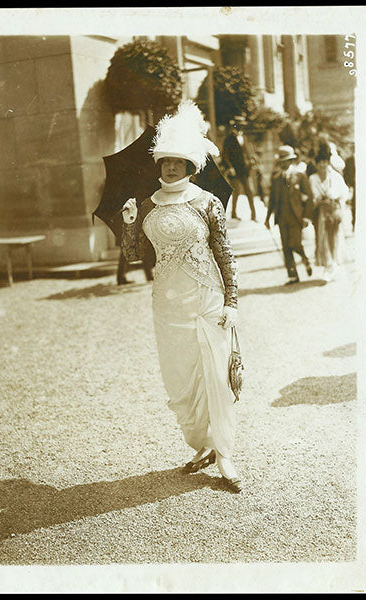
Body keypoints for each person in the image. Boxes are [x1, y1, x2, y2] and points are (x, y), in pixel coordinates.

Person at [120, 100, 243, 493]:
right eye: (165, 162)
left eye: (177, 162)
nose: (170, 168)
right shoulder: (144, 205)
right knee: (179, 380)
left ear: (191, 165)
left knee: (215, 375)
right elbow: (135, 255)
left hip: (207, 297)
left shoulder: (208, 202)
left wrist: (233, 301)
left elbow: (224, 252)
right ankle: (201, 445)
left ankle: (224, 453)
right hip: (167, 303)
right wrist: (127, 226)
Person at [267, 145, 314, 285]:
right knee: (285, 246)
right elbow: (272, 199)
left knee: (295, 243)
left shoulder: (300, 176)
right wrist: (267, 218)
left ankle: (305, 259)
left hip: (296, 216)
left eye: (286, 160)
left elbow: (309, 197)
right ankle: (293, 275)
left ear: (292, 161)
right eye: (281, 161)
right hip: (282, 217)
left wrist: (306, 217)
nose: (283, 163)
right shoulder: (275, 178)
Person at [309, 150, 350, 283]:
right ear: (316, 164)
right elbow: (312, 196)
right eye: (320, 162)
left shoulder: (335, 176)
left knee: (335, 236)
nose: (322, 165)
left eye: (325, 162)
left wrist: (334, 196)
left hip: (334, 210)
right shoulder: (313, 178)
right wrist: (320, 199)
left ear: (328, 163)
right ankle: (329, 266)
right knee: (323, 238)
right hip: (320, 212)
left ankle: (335, 264)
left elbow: (344, 192)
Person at [221, 117, 260, 221]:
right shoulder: (229, 138)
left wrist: (251, 159)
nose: (241, 127)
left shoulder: (244, 137)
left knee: (249, 191)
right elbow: (225, 155)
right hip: (235, 170)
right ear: (235, 125)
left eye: (242, 125)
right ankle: (233, 213)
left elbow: (248, 152)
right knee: (236, 191)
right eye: (239, 125)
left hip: (245, 169)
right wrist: (230, 167)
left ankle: (253, 215)